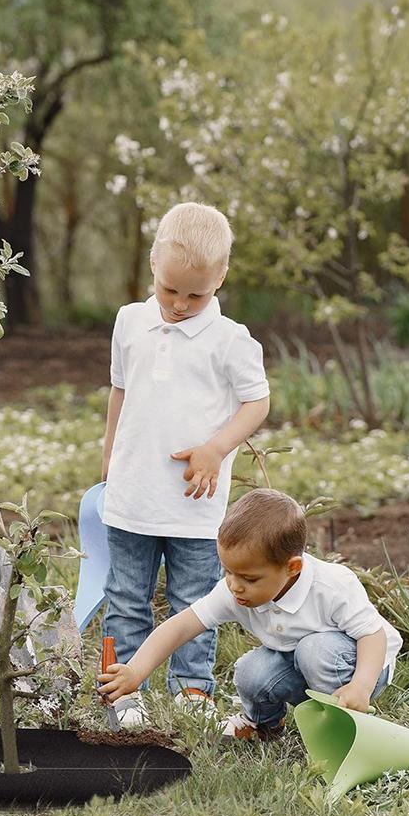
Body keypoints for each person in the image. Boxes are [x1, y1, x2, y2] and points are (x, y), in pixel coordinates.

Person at [96, 202, 270, 728]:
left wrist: (216, 448)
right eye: (170, 289)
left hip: (195, 507)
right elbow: (120, 391)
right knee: (124, 598)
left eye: (196, 294)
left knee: (194, 601)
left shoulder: (230, 340)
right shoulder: (130, 322)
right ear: (153, 263)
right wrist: (109, 453)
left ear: (221, 278)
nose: (178, 304)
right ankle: (122, 693)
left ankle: (191, 690)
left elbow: (256, 403)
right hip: (132, 498)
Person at [99, 488, 403, 740]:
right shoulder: (234, 589)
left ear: (292, 567)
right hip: (299, 663)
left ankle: (342, 724)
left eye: (249, 578)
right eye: (228, 572)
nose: (235, 586)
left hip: (361, 667)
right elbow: (181, 627)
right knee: (251, 671)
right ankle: (266, 725)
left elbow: (372, 635)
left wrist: (361, 686)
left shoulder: (331, 586)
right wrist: (136, 671)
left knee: (316, 649)